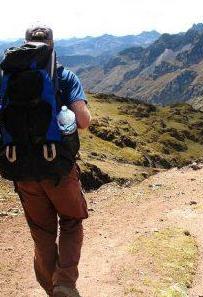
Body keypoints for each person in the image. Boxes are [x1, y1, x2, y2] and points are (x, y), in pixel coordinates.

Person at [0, 26, 91, 297]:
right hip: (58, 168)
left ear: (24, 44)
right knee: (72, 222)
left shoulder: (7, 78)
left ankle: (52, 289)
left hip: (22, 170)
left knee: (42, 233)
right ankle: (64, 282)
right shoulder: (63, 76)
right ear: (52, 45)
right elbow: (83, 121)